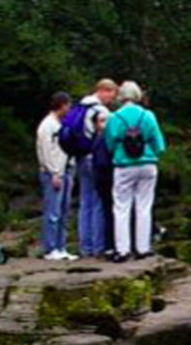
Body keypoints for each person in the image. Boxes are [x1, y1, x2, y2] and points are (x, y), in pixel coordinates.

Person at [105, 81, 166, 262]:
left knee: (121, 208)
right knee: (144, 206)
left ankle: (122, 249)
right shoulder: (148, 116)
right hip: (147, 164)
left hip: (124, 165)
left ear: (121, 97)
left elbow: (109, 143)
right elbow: (159, 144)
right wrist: (152, 152)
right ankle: (143, 247)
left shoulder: (115, 117)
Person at [76, 79, 118, 258]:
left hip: (81, 157)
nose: (112, 99)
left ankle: (84, 246)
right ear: (103, 91)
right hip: (96, 160)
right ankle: (98, 246)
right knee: (99, 203)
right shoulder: (101, 111)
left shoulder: (80, 107)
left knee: (85, 202)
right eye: (112, 94)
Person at [36, 91, 79, 261]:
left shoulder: (62, 124)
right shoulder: (47, 125)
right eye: (68, 105)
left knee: (64, 210)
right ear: (61, 105)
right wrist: (54, 172)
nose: (69, 109)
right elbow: (45, 151)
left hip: (67, 169)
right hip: (53, 172)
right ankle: (50, 248)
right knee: (53, 211)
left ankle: (61, 246)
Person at [91, 115, 116, 256]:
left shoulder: (99, 139)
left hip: (102, 179)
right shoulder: (102, 139)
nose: (105, 124)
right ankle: (109, 245)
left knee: (109, 212)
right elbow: (101, 163)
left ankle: (107, 245)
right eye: (102, 121)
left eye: (107, 120)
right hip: (106, 179)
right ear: (95, 125)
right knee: (109, 212)